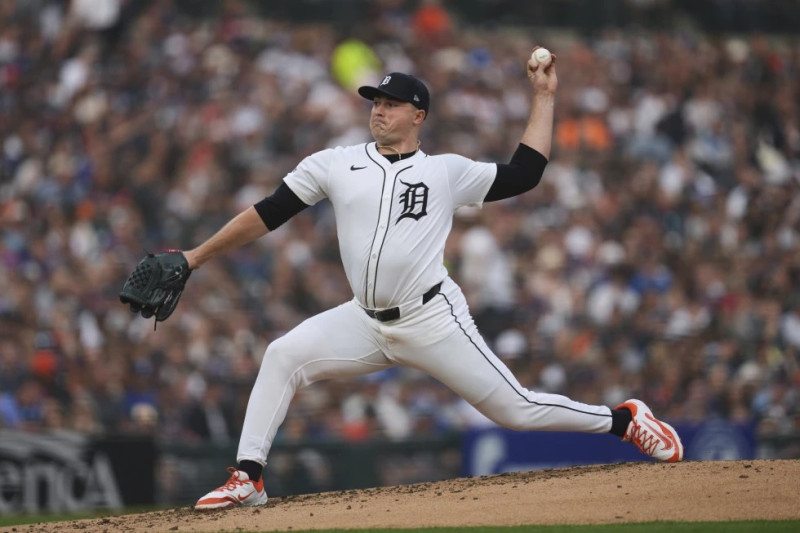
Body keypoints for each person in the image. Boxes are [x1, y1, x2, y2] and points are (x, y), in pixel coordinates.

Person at [189, 48, 684, 510]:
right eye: (375, 102)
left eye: (391, 103)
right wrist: (195, 257)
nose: (378, 110)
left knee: (516, 410)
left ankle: (625, 420)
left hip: (431, 318)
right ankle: (249, 478)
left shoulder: (446, 172)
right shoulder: (335, 163)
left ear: (418, 116)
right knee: (282, 355)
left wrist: (544, 96)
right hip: (364, 321)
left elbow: (525, 174)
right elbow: (268, 212)